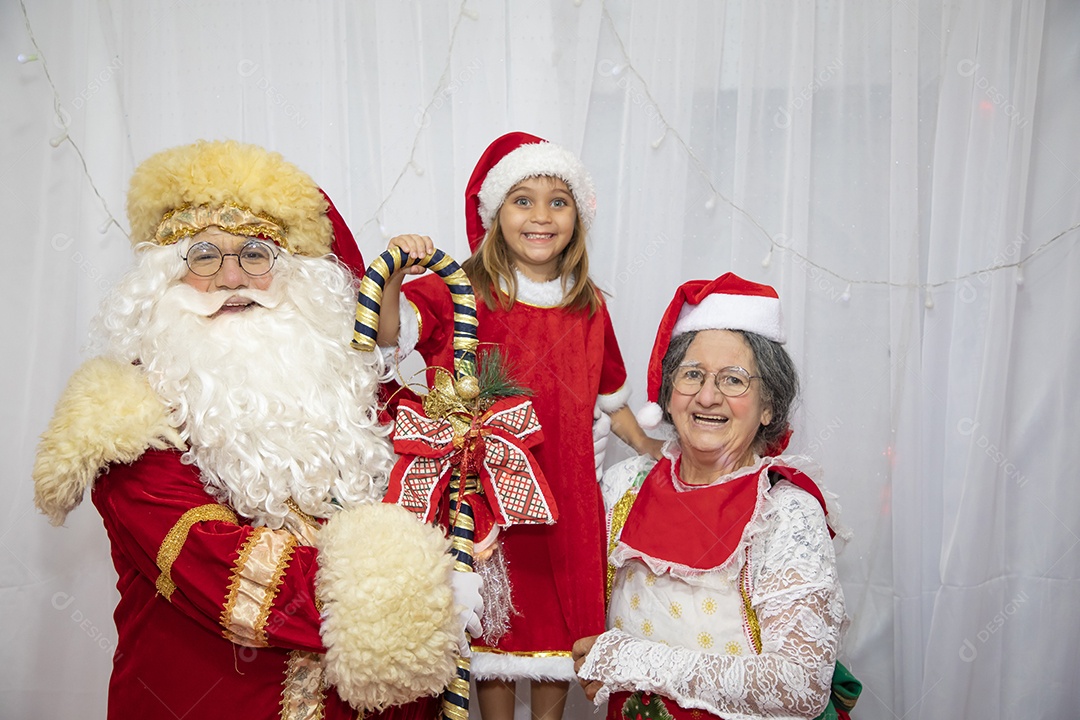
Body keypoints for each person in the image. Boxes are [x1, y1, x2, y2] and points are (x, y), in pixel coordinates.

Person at [32, 140, 482, 719]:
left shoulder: (349, 403)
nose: (230, 279)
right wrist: (419, 598)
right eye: (203, 256)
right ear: (164, 277)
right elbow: (215, 568)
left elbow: (426, 493)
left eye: (254, 254)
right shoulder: (129, 420)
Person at [375, 132, 663, 720]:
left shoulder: (590, 305)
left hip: (569, 498)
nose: (540, 216)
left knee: (558, 642)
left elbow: (612, 398)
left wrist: (652, 449)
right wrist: (397, 273)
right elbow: (386, 340)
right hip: (490, 495)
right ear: (495, 215)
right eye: (522, 200)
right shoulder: (460, 291)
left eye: (558, 201)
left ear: (577, 218)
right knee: (495, 639)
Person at [572, 273, 851, 720]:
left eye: (734, 380)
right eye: (692, 375)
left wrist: (636, 661)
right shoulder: (624, 485)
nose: (707, 396)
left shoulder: (785, 511)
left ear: (769, 406)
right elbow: (559, 583)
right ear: (669, 393)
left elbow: (801, 687)